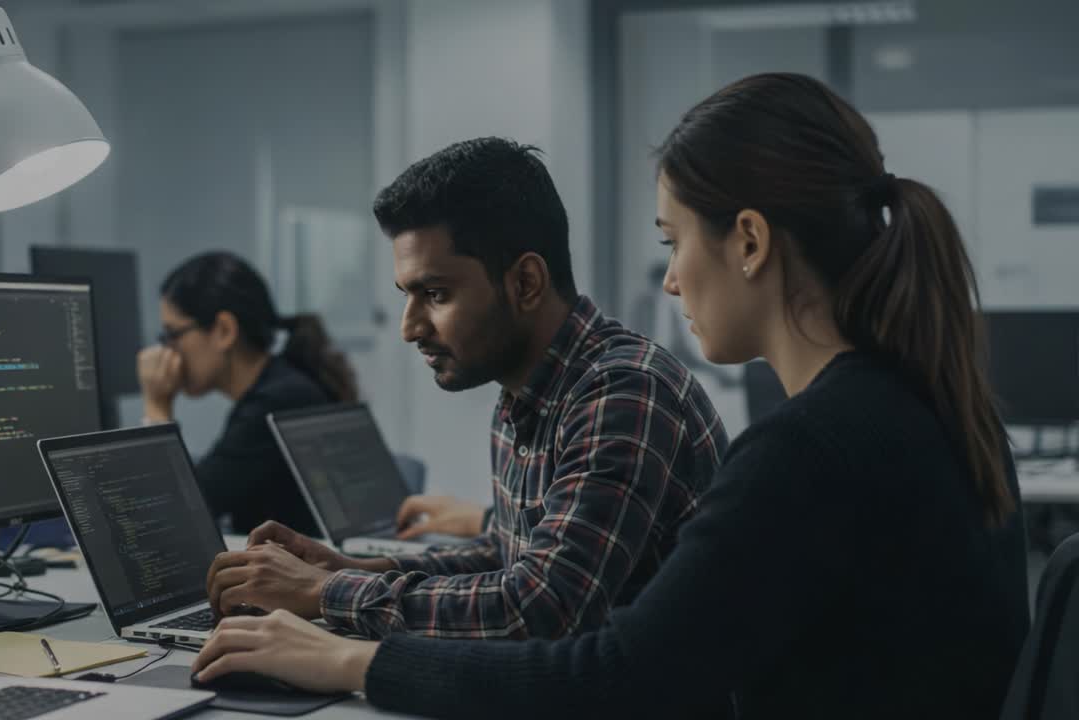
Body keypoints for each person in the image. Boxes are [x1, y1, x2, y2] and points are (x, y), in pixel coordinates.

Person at [190, 74, 1031, 718]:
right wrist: (354, 575)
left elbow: (613, 669)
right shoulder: (908, 404)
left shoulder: (807, 448)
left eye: (673, 242)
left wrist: (347, 655)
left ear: (748, 242)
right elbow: (538, 576)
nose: (670, 280)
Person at [203, 137, 728, 642]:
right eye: (407, 296)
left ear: (525, 283)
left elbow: (539, 608)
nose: (409, 328)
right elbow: (507, 554)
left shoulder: (623, 392)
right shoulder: (525, 392)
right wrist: (351, 569)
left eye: (435, 294)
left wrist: (324, 592)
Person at [138, 251, 357, 535]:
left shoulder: (275, 403)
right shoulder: (284, 385)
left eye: (172, 334)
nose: (167, 350)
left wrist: (156, 407)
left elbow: (178, 515)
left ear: (224, 331)